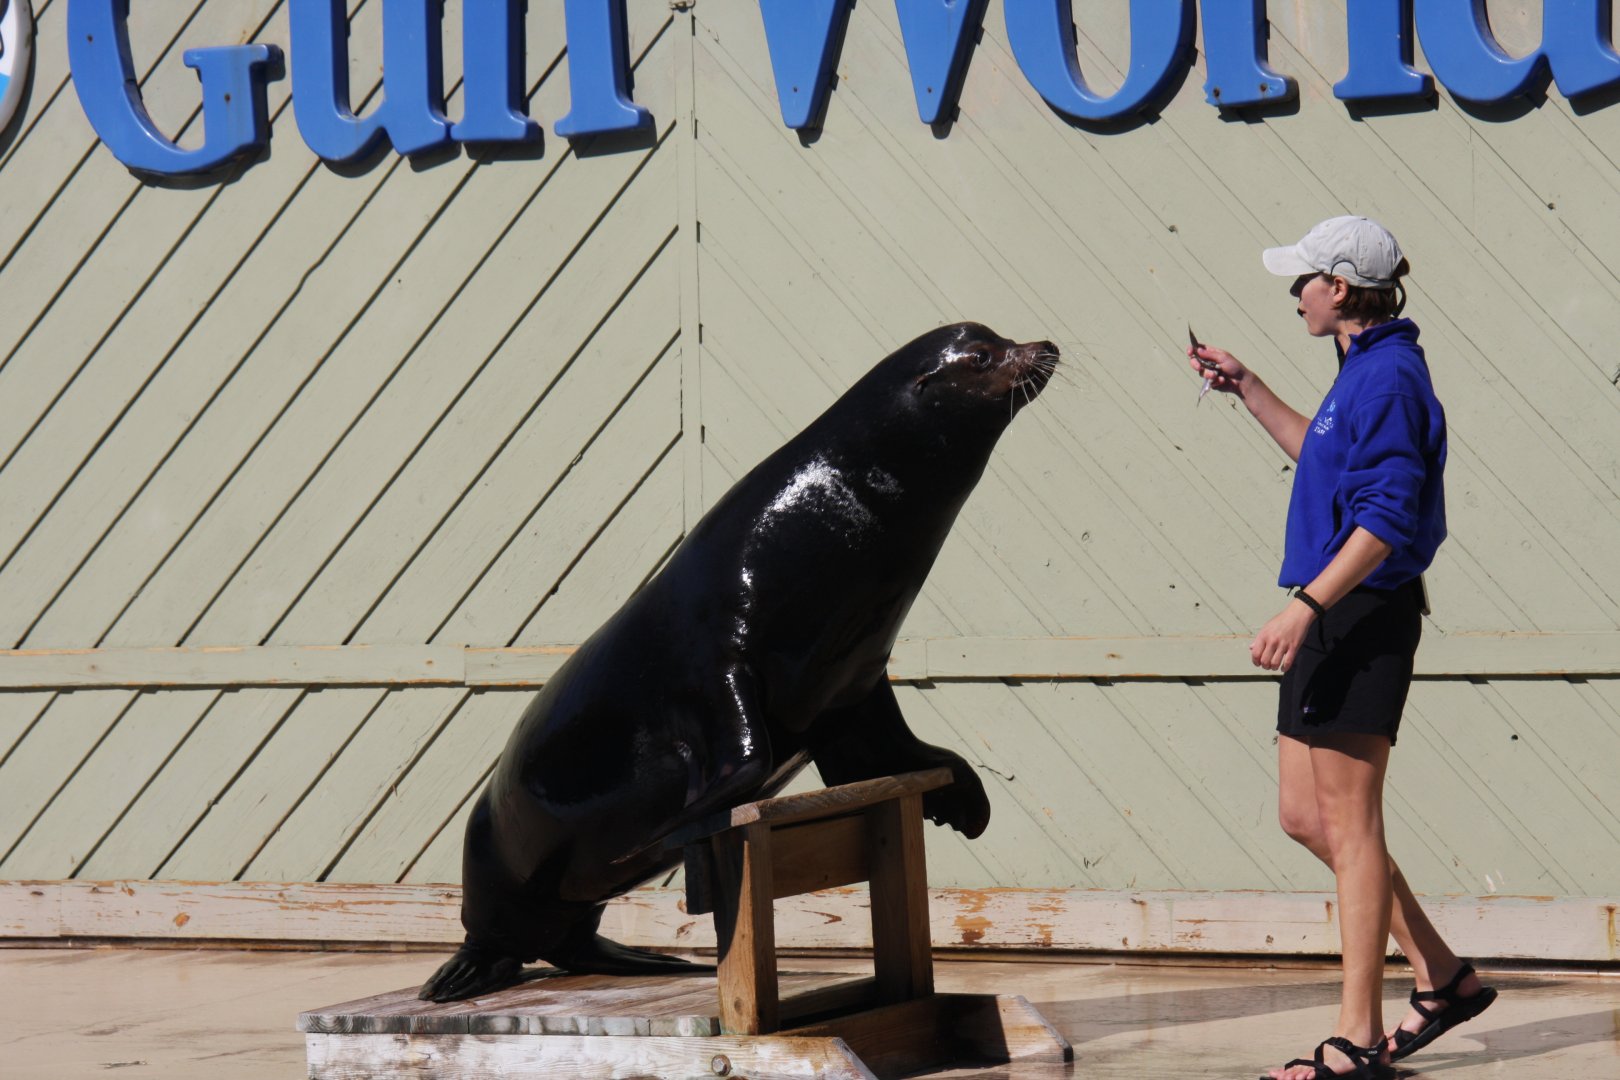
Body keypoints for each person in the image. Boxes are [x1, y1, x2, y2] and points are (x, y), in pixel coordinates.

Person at [1190, 217, 1498, 1080]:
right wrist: (1248, 387)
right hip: (1332, 611)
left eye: (1304, 281)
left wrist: (1305, 607)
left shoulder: (1393, 377)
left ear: (1341, 287)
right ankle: (1444, 977)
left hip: (1360, 613)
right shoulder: (1359, 370)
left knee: (1353, 829)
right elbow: (1323, 464)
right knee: (1306, 818)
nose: (1294, 294)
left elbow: (1389, 518)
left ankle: (1356, 1038)